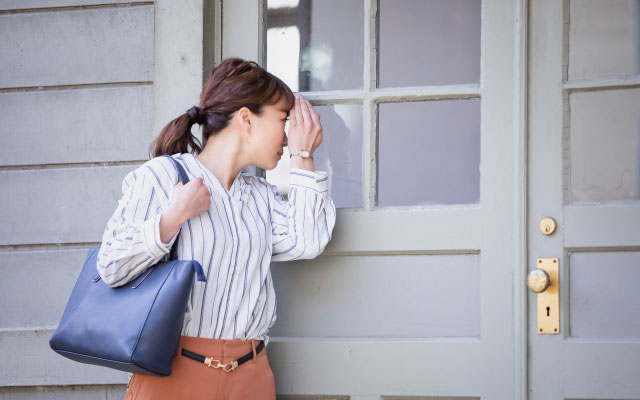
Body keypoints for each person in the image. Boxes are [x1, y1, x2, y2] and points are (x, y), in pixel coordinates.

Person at [95, 57, 337, 400]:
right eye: (285, 120)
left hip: (251, 377)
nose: (289, 134)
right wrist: (173, 217)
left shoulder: (261, 197)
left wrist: (302, 155)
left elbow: (308, 241)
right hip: (173, 374)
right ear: (246, 119)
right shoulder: (163, 176)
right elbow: (110, 266)